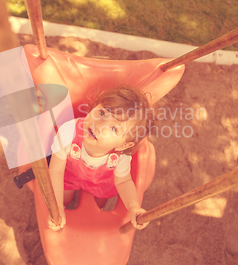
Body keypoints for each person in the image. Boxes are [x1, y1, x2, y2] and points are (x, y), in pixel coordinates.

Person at [47, 85, 156, 231]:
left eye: (114, 129)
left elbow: (123, 181)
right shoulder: (69, 132)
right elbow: (56, 170)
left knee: (99, 204)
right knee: (64, 197)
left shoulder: (121, 155)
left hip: (101, 182)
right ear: (94, 107)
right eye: (103, 113)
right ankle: (65, 204)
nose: (100, 125)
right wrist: (58, 206)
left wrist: (133, 206)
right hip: (70, 174)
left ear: (123, 145)